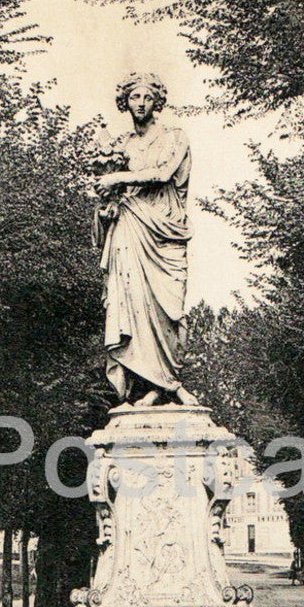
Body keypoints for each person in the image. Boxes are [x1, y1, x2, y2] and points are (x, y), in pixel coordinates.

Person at [93, 72, 199, 407]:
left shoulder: (175, 138)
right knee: (131, 303)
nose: (140, 104)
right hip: (130, 227)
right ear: (125, 102)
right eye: (134, 97)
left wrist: (118, 178)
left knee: (169, 309)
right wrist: (106, 208)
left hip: (164, 233)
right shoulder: (121, 146)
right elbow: (109, 197)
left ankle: (168, 381)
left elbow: (164, 174)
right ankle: (150, 387)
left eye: (147, 98)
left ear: (158, 102)